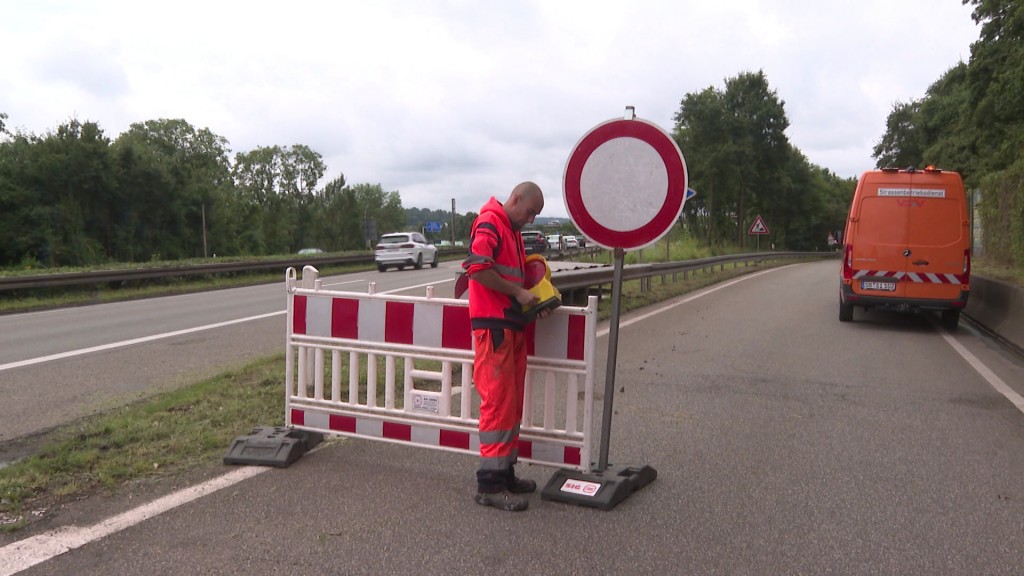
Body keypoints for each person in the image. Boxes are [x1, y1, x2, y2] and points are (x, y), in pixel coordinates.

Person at [462, 181, 549, 511]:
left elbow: (513, 276)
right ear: (515, 199)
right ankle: (490, 485)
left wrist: (537, 297)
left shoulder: (509, 229)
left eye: (536, 216)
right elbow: (477, 269)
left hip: (510, 325)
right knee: (498, 405)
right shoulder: (490, 221)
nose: (530, 221)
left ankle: (505, 473)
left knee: (510, 405)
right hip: (494, 326)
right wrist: (516, 293)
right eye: (529, 212)